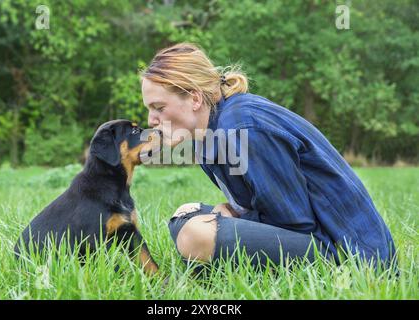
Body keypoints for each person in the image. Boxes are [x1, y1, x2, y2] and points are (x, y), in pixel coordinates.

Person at [140, 42, 396, 269]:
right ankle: (210, 257)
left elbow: (295, 221)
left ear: (194, 98)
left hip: (346, 250)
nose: (152, 120)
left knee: (195, 234)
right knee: (184, 215)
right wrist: (228, 213)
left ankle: (207, 258)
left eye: (159, 107)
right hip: (306, 234)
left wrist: (231, 216)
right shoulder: (205, 137)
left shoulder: (242, 127)